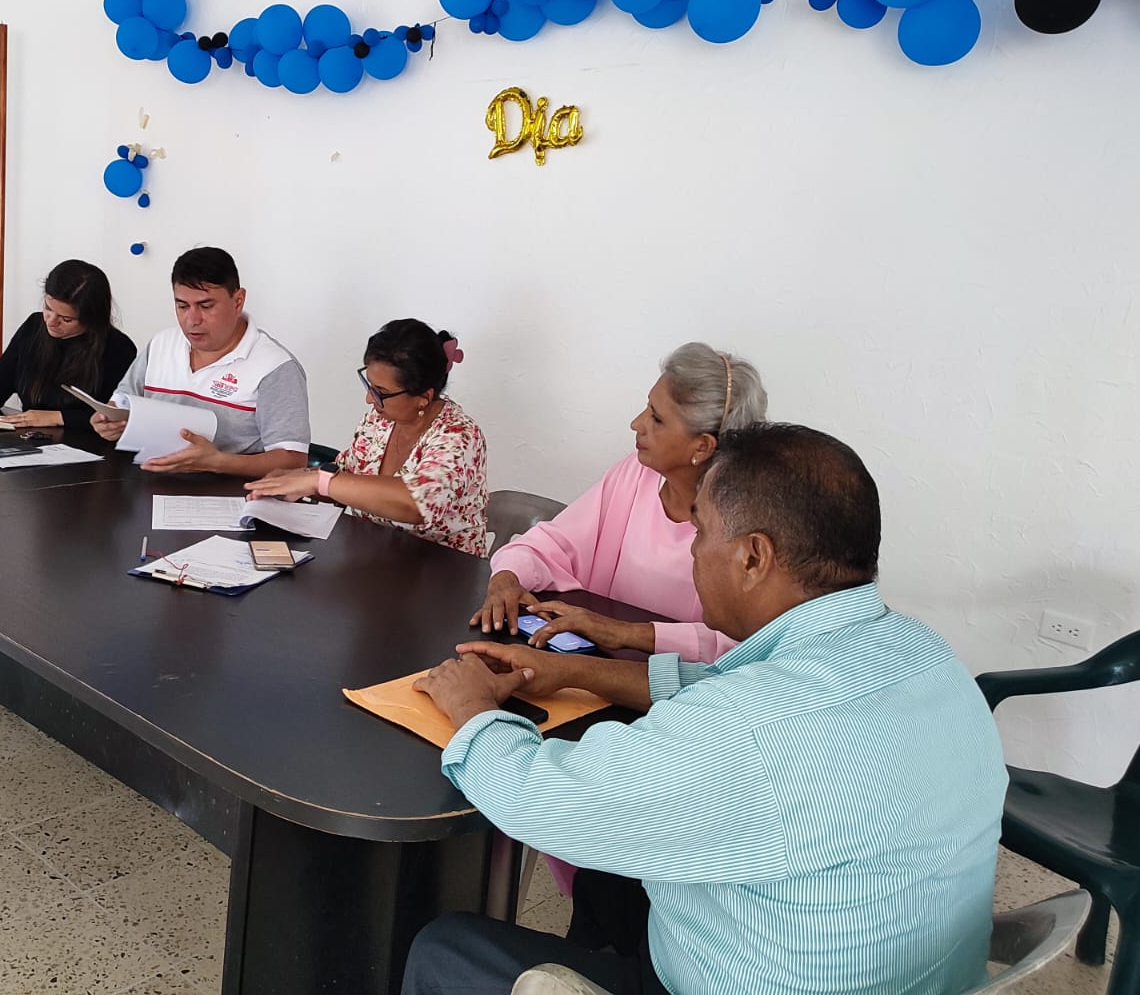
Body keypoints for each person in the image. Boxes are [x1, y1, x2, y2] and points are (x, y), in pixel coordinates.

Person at [404, 423, 1008, 995]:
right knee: (608, 878)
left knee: (445, 948)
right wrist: (572, 672)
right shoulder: (925, 654)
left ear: (753, 557)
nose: (694, 554)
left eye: (700, 533)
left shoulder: (746, 728)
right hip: (910, 970)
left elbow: (542, 800)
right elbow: (722, 687)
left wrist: (473, 708)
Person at [478, 344, 767, 665]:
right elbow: (552, 543)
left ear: (702, 446)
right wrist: (507, 577)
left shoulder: (747, 525)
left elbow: (743, 645)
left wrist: (627, 633)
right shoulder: (636, 474)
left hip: (677, 684)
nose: (636, 423)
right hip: (594, 663)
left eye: (656, 418)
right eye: (647, 408)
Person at [245, 319, 488, 555]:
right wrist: (294, 480)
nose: (370, 399)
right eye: (369, 385)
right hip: (375, 559)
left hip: (444, 571)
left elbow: (416, 504)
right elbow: (346, 475)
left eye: (381, 392)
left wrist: (317, 481)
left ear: (424, 398)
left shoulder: (459, 436)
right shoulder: (380, 420)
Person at [90, 247, 309, 476]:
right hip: (150, 478)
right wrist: (109, 421)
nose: (192, 320)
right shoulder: (162, 344)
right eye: (182, 306)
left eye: (206, 306)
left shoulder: (274, 367)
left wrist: (218, 462)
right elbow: (122, 403)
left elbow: (293, 460)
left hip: (229, 489)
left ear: (238, 301)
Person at [0, 259, 136, 430]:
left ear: (92, 319)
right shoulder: (33, 327)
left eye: (66, 319)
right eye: (48, 308)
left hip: (86, 446)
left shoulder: (118, 348)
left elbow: (115, 417)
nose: (51, 321)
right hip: (28, 439)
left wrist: (58, 417)